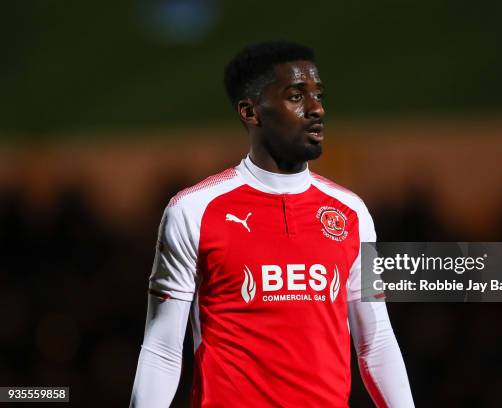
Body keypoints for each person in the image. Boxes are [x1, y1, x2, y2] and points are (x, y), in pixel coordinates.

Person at [130, 41, 415, 408]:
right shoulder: (192, 211)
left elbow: (376, 342)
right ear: (251, 112)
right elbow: (162, 349)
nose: (317, 108)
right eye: (296, 96)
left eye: (318, 95)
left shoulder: (352, 213)